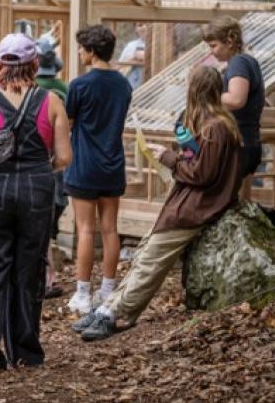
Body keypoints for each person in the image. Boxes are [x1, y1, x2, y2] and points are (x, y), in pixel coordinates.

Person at [74, 66, 242, 341]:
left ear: (195, 90)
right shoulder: (215, 124)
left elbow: (202, 173)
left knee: (151, 261)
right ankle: (108, 307)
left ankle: (115, 314)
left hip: (195, 208)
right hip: (189, 204)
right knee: (144, 254)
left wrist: (169, 158)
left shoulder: (215, 128)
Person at [0, 33, 72, 377]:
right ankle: (24, 351)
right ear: (35, 64)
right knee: (29, 268)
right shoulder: (52, 101)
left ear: (0, 64)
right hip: (35, 192)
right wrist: (40, 168)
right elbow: (65, 157)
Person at [64, 25, 132, 315]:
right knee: (110, 229)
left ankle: (82, 292)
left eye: (81, 48)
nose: (79, 53)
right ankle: (107, 289)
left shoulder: (80, 86)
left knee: (85, 230)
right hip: (113, 164)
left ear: (91, 51)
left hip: (84, 165)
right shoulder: (124, 85)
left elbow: (67, 123)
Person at [202, 16, 265, 187]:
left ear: (229, 42)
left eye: (214, 45)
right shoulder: (242, 62)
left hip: (240, 143)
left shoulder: (239, 62)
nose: (211, 51)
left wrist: (206, 95)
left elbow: (237, 99)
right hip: (246, 142)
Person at [35, 38, 68, 299]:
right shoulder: (62, 89)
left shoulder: (32, 90)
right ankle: (47, 276)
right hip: (58, 162)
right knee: (54, 209)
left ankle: (42, 276)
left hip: (34, 164)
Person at [117, 22, 148, 90]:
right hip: (133, 88)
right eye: (140, 25)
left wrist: (146, 57)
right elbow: (119, 67)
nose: (144, 27)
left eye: (147, 24)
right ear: (136, 29)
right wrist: (134, 59)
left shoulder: (160, 46)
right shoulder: (131, 46)